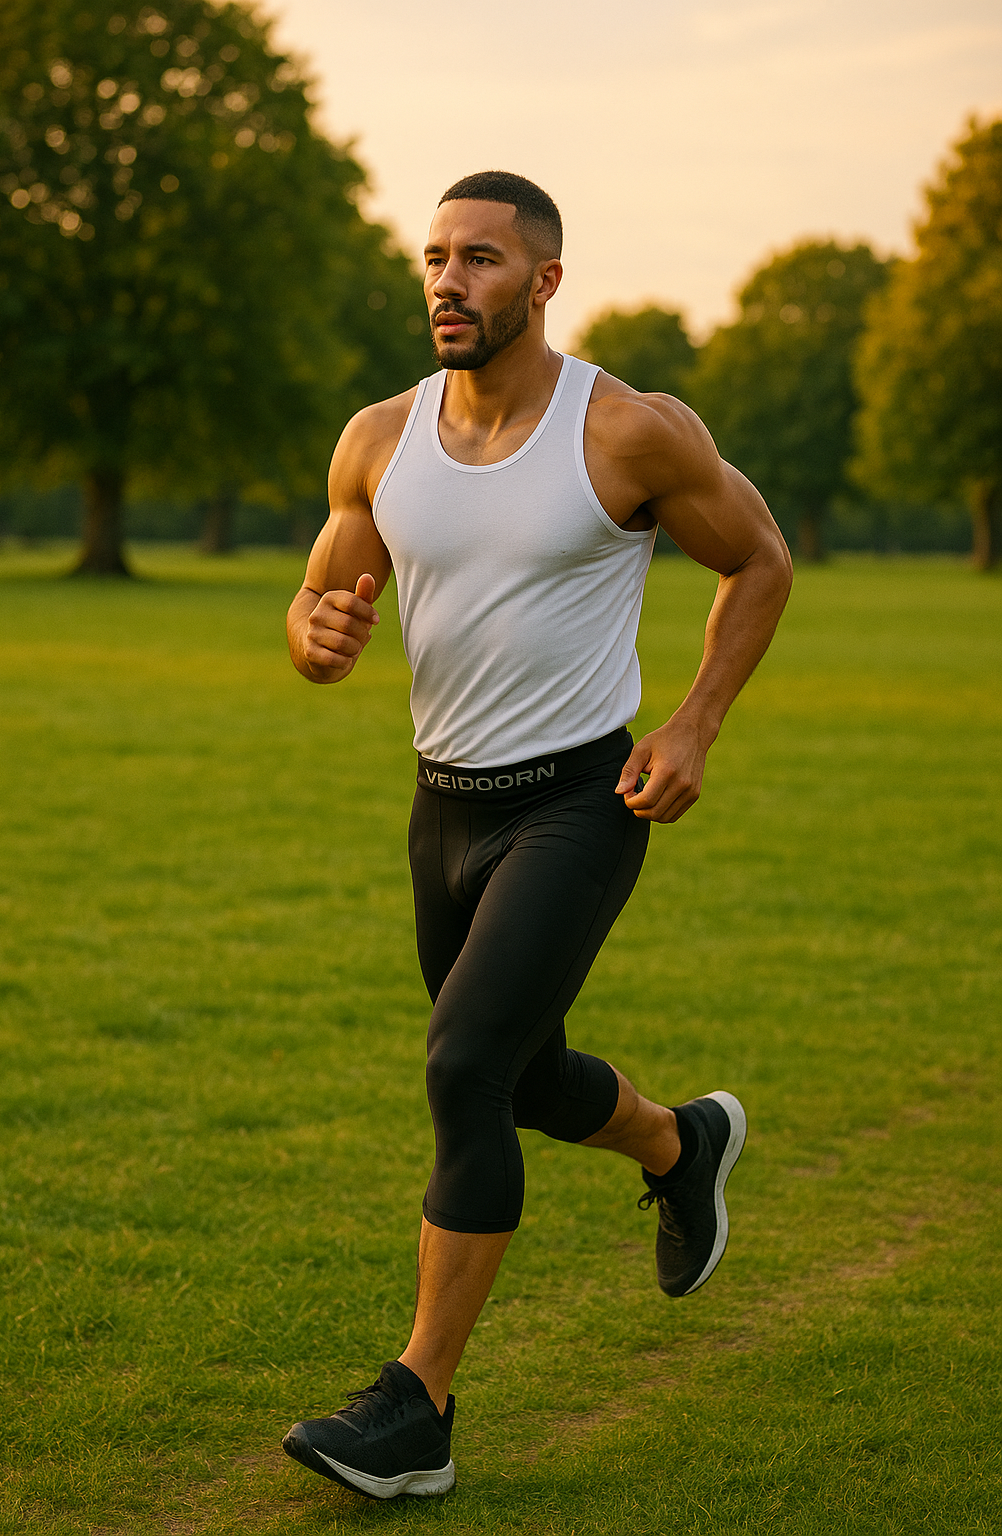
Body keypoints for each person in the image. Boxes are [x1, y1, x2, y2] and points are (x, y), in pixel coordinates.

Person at [281, 170, 792, 1501]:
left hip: (578, 801)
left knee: (462, 1065)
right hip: (439, 807)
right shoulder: (379, 440)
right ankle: (683, 1146)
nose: (450, 280)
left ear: (546, 281)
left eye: (485, 260)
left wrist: (693, 725)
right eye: (437, 256)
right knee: (514, 1073)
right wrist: (315, 634)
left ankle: (416, 1412)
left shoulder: (626, 431)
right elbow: (323, 602)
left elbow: (759, 560)